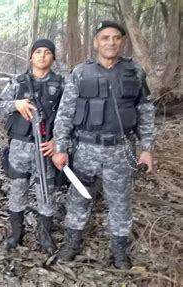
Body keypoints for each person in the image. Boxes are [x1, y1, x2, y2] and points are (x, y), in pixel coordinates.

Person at [51, 21, 156, 269]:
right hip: (85, 149)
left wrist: (147, 149)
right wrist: (60, 148)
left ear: (122, 41)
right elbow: (64, 114)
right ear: (96, 42)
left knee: (120, 202)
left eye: (116, 38)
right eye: (105, 38)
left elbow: (145, 111)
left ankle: (120, 251)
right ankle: (72, 244)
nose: (111, 42)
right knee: (78, 198)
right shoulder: (79, 73)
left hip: (120, 150)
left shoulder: (135, 72)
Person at [0, 39, 64, 253]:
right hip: (20, 145)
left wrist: (58, 143)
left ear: (53, 57)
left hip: (46, 147)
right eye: (38, 52)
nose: (42, 56)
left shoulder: (62, 84)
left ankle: (44, 235)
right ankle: (16, 233)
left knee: (47, 191)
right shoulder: (17, 82)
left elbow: (70, 117)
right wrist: (17, 104)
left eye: (47, 52)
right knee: (17, 190)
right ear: (31, 56)